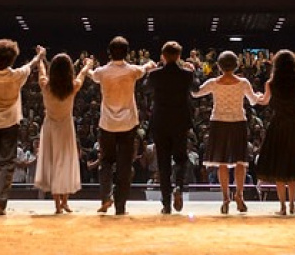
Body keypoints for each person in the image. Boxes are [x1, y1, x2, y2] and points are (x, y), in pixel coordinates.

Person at [0, 40, 45, 215]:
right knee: (7, 162)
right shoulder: (17, 75)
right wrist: (40, 54)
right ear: (12, 58)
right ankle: (0, 200)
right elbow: (32, 64)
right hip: (10, 122)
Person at [90, 36, 156, 215]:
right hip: (128, 124)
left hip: (107, 124)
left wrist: (87, 66)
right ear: (127, 53)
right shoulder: (132, 70)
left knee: (105, 162)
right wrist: (150, 64)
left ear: (109, 53)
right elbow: (145, 68)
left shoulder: (102, 72)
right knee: (125, 165)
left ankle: (105, 197)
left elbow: (91, 75)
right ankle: (120, 207)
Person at [192, 50, 263, 214]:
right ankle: (239, 195)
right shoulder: (243, 82)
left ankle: (225, 198)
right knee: (240, 161)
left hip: (218, 122)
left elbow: (195, 93)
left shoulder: (213, 83)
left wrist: (193, 73)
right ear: (236, 65)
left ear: (219, 66)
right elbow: (253, 101)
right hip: (238, 122)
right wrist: (259, 96)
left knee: (221, 162)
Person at [144, 41, 196, 214]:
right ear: (179, 56)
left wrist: (154, 68)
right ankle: (179, 187)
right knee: (181, 159)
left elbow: (146, 89)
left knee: (163, 163)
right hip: (180, 122)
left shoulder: (155, 75)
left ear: (163, 56)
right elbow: (195, 89)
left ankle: (166, 204)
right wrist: (192, 69)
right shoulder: (187, 75)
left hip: (160, 122)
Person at [255, 49, 295, 216]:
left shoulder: (271, 83)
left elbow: (264, 101)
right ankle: (292, 204)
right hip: (293, 125)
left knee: (279, 166)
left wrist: (256, 96)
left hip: (277, 125)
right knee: (292, 166)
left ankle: (283, 207)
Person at [34, 54, 87, 214]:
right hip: (65, 127)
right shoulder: (73, 86)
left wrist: (41, 58)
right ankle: (64, 201)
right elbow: (82, 75)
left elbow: (42, 71)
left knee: (52, 162)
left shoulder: (45, 85)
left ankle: (58, 204)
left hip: (51, 126)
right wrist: (87, 65)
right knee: (65, 161)